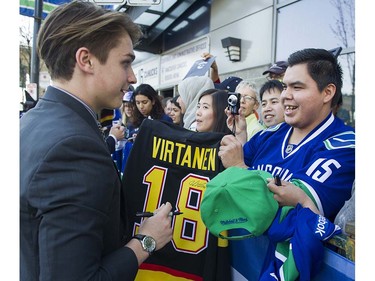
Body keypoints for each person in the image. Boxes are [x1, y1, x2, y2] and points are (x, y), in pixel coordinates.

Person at [20, 2, 174, 280]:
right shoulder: (74, 147)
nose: (133, 77)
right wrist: (146, 242)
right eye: (125, 62)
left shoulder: (31, 122)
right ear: (86, 60)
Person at [219, 48, 355, 280]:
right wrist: (240, 144)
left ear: (327, 92)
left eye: (297, 87)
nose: (285, 96)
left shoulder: (345, 145)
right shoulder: (271, 134)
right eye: (285, 87)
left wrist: (239, 169)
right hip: (239, 266)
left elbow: (289, 202)